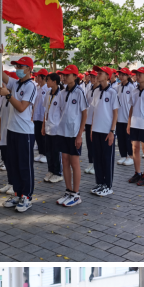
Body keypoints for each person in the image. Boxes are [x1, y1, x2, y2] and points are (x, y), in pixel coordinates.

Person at [0, 56, 39, 211]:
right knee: (13, 164)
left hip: (24, 132)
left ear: (29, 69)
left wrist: (8, 95)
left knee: (24, 165)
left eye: (20, 67)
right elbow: (0, 73)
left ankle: (27, 196)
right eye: (16, 67)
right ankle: (17, 193)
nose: (17, 69)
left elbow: (21, 107)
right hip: (12, 129)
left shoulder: (31, 86)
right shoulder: (15, 83)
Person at [54, 65, 89, 207]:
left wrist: (80, 134)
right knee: (65, 161)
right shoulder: (62, 92)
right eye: (63, 75)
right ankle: (68, 190)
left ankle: (76, 193)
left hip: (74, 133)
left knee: (74, 163)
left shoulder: (79, 92)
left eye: (67, 75)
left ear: (75, 76)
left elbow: (84, 114)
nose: (64, 77)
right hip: (63, 132)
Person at [88, 65, 119, 197]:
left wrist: (112, 131)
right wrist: (92, 129)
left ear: (107, 76)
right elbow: (94, 112)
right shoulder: (96, 91)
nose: (97, 75)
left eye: (100, 73)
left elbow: (115, 113)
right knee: (97, 158)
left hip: (107, 131)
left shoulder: (112, 92)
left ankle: (108, 185)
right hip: (96, 130)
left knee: (107, 158)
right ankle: (100, 182)